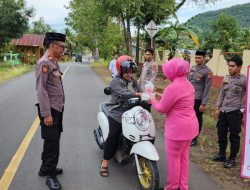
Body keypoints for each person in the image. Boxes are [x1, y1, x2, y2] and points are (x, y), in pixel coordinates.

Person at [150, 58, 198, 190]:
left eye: (167, 71)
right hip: (191, 128)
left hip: (177, 131)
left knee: (174, 160)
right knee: (184, 158)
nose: (166, 74)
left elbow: (161, 109)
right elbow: (177, 100)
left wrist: (152, 99)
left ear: (174, 71)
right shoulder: (189, 85)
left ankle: (172, 186)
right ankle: (183, 186)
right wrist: (162, 95)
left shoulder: (172, 88)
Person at [100, 55, 141, 177]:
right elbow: (125, 93)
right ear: (121, 71)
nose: (129, 74)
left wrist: (150, 95)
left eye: (131, 72)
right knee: (113, 136)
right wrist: (139, 94)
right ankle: (105, 162)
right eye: (126, 72)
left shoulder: (133, 81)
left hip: (132, 113)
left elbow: (141, 90)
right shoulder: (115, 81)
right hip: (117, 113)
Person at [35, 32, 66, 190]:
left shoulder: (54, 62)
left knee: (51, 141)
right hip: (50, 111)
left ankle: (45, 168)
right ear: (53, 45)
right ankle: (51, 176)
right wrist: (46, 114)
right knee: (53, 144)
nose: (63, 50)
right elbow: (41, 91)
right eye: (61, 47)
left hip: (57, 109)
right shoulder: (44, 63)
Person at [211, 56, 246, 168]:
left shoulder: (244, 80)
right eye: (229, 66)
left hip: (235, 111)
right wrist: (217, 108)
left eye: (232, 66)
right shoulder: (226, 78)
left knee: (234, 136)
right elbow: (222, 94)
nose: (229, 68)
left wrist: (245, 109)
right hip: (224, 110)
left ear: (239, 67)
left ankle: (232, 159)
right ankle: (222, 154)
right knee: (221, 132)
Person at [187, 50, 212, 146]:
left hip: (198, 99)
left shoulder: (208, 72)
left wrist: (204, 103)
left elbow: (207, 88)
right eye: (196, 58)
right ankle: (189, 135)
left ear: (204, 58)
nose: (197, 59)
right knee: (189, 118)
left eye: (199, 58)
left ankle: (194, 138)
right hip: (189, 97)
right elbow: (189, 82)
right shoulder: (192, 68)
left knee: (197, 118)